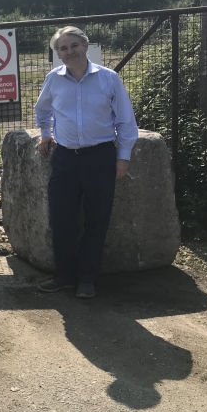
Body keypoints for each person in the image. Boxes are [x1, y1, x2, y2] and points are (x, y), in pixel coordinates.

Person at [34, 26, 138, 298]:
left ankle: (87, 279)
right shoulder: (53, 79)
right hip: (65, 158)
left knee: (97, 220)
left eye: (74, 46)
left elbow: (125, 121)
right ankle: (65, 275)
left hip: (100, 157)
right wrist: (45, 135)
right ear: (58, 53)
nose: (69, 52)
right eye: (63, 48)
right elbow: (42, 110)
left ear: (86, 46)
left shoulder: (108, 78)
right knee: (62, 219)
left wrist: (123, 157)